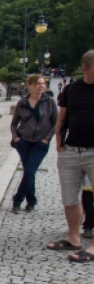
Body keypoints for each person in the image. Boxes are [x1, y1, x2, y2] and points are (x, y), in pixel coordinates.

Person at [47, 49, 94, 262]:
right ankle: (74, 237)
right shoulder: (72, 89)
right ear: (85, 68)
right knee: (69, 196)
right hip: (72, 149)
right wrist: (59, 143)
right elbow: (62, 118)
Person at [10, 74, 58, 212]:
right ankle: (31, 201)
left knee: (30, 171)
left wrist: (47, 139)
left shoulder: (49, 102)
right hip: (24, 141)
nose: (41, 86)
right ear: (29, 85)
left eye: (43, 83)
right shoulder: (22, 103)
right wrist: (15, 138)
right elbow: (14, 124)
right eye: (38, 83)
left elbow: (56, 123)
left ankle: (17, 200)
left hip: (40, 143)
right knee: (28, 172)